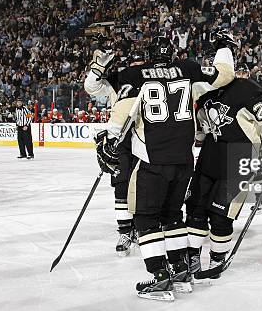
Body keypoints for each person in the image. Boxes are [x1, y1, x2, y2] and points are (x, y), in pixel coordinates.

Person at [97, 34, 235, 300]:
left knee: (146, 218)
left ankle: (160, 277)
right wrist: (223, 49)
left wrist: (111, 136)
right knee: (172, 215)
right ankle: (181, 271)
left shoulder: (135, 74)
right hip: (184, 160)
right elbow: (225, 75)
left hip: (153, 160)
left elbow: (118, 102)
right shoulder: (190, 68)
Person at [186, 63, 262, 278]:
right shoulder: (205, 92)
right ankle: (192, 257)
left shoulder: (247, 89)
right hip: (209, 157)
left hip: (239, 160)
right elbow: (200, 130)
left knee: (221, 216)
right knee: (195, 211)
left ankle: (216, 260)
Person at [86, 48, 146, 256]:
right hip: (121, 138)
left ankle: (139, 227)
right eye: (135, 63)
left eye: (141, 63)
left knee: (142, 185)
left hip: (146, 138)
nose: (138, 67)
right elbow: (91, 87)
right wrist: (98, 68)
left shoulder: (153, 76)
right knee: (121, 185)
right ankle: (125, 230)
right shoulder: (118, 77)